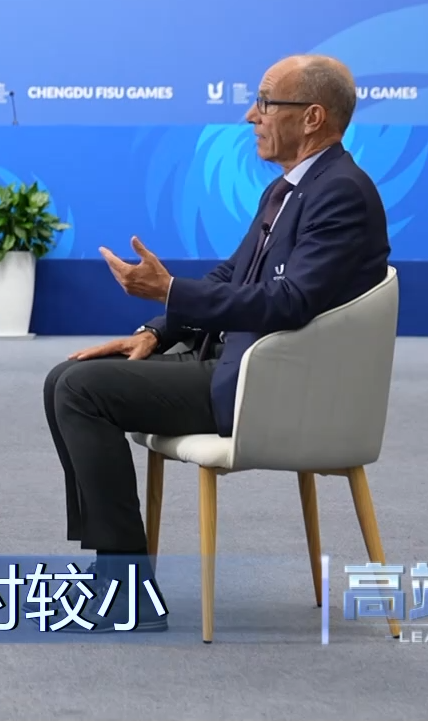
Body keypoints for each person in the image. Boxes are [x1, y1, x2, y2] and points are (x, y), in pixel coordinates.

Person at [42, 54, 390, 630]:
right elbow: (235, 277)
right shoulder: (289, 189)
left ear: (312, 117)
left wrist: (169, 290)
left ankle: (125, 589)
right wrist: (155, 330)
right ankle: (115, 574)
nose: (252, 115)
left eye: (266, 102)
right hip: (236, 362)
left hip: (269, 385)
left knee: (81, 390)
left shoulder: (341, 193)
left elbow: (289, 302)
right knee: (64, 377)